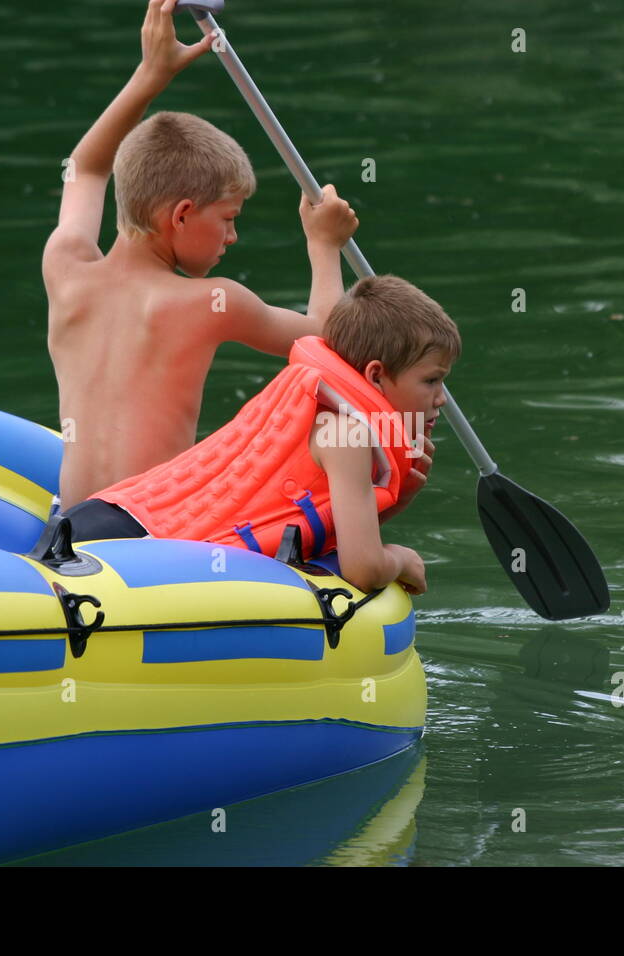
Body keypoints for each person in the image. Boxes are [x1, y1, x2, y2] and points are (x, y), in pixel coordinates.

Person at [44, 0, 359, 509]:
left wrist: (150, 75)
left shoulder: (65, 267)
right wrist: (323, 245)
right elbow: (329, 336)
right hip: (148, 536)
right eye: (228, 219)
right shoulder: (212, 301)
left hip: (70, 530)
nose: (232, 238)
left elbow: (84, 168)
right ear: (183, 214)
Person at [65, 275, 460, 596]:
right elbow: (363, 568)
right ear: (375, 375)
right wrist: (402, 560)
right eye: (431, 381)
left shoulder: (323, 413)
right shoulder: (348, 435)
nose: (441, 399)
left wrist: (399, 497)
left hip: (105, 521)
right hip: (128, 547)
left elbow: (315, 524)